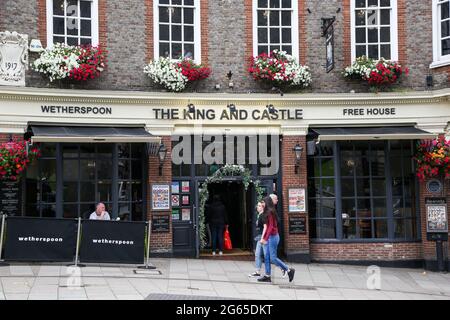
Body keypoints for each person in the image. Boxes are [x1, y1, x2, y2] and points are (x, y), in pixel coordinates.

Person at [258, 196, 295, 283]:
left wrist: (265, 238)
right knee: (266, 257)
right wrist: (264, 238)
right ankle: (267, 276)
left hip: (273, 237)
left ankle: (289, 270)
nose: (262, 204)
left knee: (273, 258)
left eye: (263, 202)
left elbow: (270, 227)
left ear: (266, 202)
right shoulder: (267, 212)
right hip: (270, 237)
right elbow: (267, 227)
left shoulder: (270, 212)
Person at [249, 200, 266, 277]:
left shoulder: (263, 215)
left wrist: (263, 238)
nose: (258, 207)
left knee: (269, 256)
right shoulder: (259, 215)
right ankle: (257, 271)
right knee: (258, 254)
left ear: (263, 207)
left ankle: (285, 268)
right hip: (260, 237)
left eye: (259, 206)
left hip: (263, 238)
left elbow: (265, 227)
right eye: (258, 205)